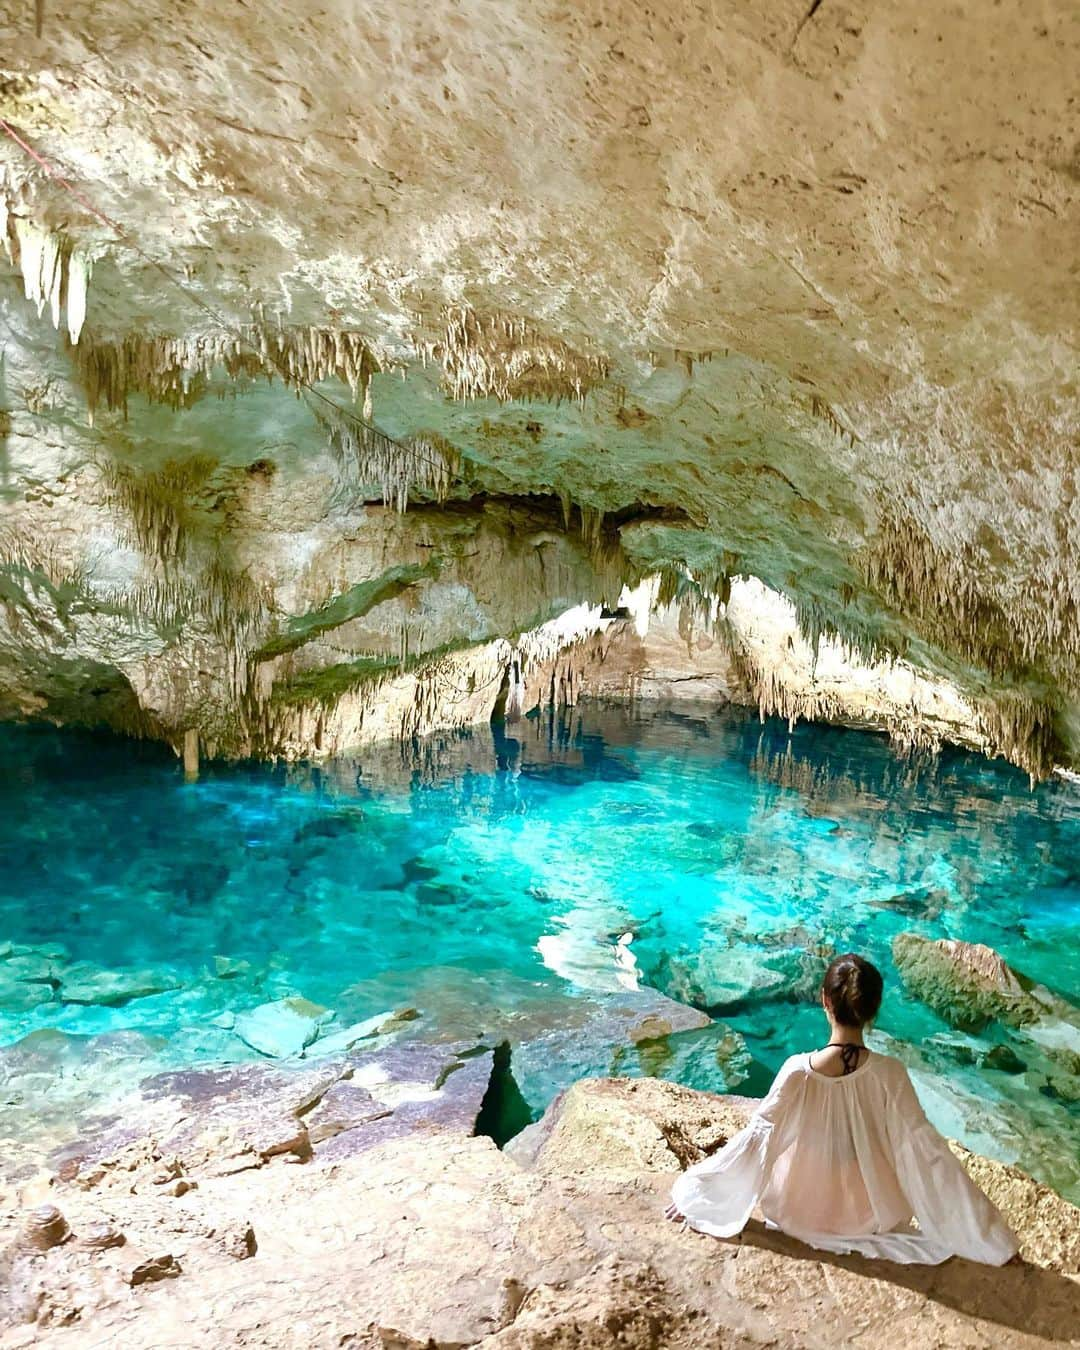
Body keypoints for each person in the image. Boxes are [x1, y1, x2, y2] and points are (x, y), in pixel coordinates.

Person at [665, 952, 1019, 1265]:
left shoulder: (795, 1071)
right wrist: (986, 1232)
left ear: (824, 1000)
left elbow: (754, 1143)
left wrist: (702, 1196)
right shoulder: (889, 1073)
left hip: (798, 1213)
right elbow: (930, 1154)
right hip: (867, 1218)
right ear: (874, 1009)